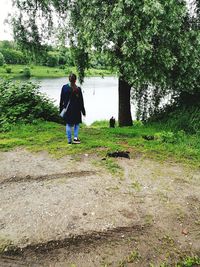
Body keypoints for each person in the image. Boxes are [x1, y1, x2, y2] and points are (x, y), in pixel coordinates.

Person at [60, 73, 86, 144]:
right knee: (76, 124)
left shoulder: (64, 87)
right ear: (75, 80)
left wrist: (61, 109)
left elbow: (61, 99)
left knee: (68, 124)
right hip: (76, 109)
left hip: (67, 109)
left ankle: (69, 141)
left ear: (69, 79)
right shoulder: (78, 89)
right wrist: (83, 111)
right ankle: (75, 138)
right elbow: (81, 101)